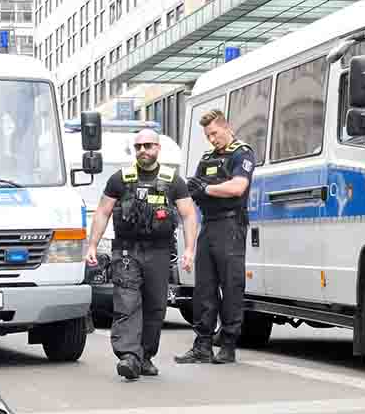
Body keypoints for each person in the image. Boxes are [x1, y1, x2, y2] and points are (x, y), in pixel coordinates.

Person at [86, 130, 198, 380]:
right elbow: (103, 212)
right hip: (127, 251)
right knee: (127, 302)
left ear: (158, 148)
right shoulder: (120, 180)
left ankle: (145, 356)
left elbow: (189, 214)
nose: (142, 150)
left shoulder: (173, 181)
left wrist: (189, 250)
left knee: (155, 306)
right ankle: (129, 356)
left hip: (159, 252)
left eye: (148, 145)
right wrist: (92, 245)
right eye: (138, 147)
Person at [175, 109, 256, 365]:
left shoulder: (243, 153)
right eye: (208, 135)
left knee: (231, 287)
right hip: (209, 226)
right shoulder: (208, 157)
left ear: (226, 127)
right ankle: (202, 345)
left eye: (214, 133)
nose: (212, 139)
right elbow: (193, 188)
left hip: (231, 226)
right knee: (204, 288)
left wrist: (207, 188)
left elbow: (237, 186)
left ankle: (229, 344)